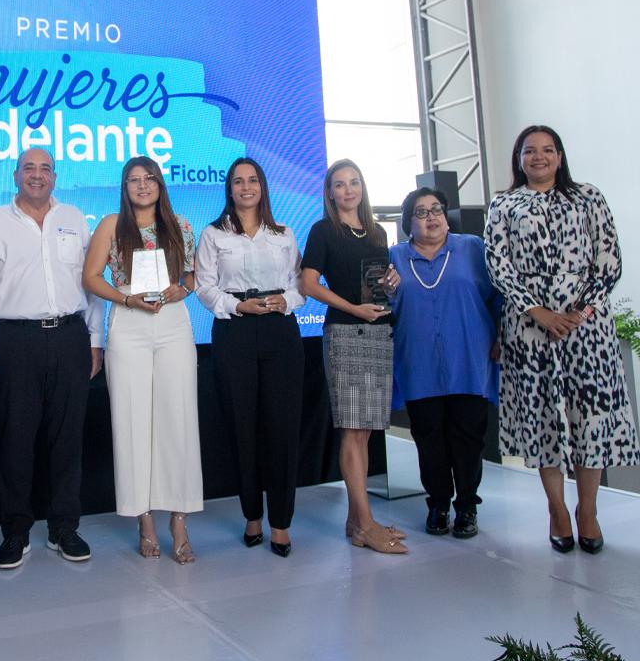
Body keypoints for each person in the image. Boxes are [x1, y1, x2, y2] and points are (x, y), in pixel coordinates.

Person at [484, 125, 639, 554]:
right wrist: (540, 313)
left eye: (547, 150)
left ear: (560, 155)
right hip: (529, 327)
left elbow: (609, 262)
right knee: (543, 419)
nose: (539, 157)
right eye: (530, 150)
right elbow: (498, 265)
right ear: (518, 158)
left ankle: (588, 509)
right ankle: (557, 509)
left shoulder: (588, 196)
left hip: (586, 326)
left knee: (590, 418)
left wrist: (577, 314)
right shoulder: (504, 203)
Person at [0, 147, 105, 569]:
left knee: (67, 439)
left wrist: (95, 339)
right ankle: (16, 531)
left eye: (45, 169)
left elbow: (92, 281)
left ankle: (64, 528)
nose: (37, 176)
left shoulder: (75, 219)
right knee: (16, 439)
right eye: (29, 168)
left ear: (55, 177)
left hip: (69, 337)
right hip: (15, 340)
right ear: (15, 176)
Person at [83, 156, 202, 564]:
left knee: (177, 417)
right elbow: (91, 277)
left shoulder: (181, 225)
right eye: (133, 180)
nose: (142, 185)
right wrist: (127, 298)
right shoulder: (111, 225)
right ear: (124, 186)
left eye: (148, 178)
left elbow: (194, 275)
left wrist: (179, 291)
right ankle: (144, 518)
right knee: (133, 420)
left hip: (171, 322)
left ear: (159, 183)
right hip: (130, 321)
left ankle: (179, 518)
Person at [196, 157, 305, 557]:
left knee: (282, 429)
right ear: (229, 189)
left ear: (262, 186)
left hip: (280, 331)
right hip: (235, 330)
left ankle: (280, 523)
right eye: (238, 181)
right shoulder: (213, 234)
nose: (246, 187)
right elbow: (205, 287)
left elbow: (300, 285)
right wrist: (238, 307)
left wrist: (285, 301)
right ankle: (252, 517)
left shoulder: (284, 233)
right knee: (243, 428)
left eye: (253, 180)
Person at [301, 158, 407, 554]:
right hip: (345, 332)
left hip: (379, 332)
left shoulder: (378, 233)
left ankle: (356, 518)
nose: (348, 190)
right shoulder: (323, 230)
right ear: (329, 192)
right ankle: (365, 525)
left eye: (354, 183)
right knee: (352, 430)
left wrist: (392, 285)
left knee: (365, 431)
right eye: (340, 184)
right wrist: (352, 308)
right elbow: (308, 284)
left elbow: (381, 289)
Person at [388, 186, 499, 540]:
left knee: (468, 436)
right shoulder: (393, 258)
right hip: (418, 361)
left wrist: (500, 336)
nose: (431, 217)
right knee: (430, 438)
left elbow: (498, 296)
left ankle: (467, 506)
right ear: (408, 223)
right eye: (421, 212)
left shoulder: (472, 248)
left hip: (468, 358)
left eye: (436, 209)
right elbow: (378, 307)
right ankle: (437, 503)